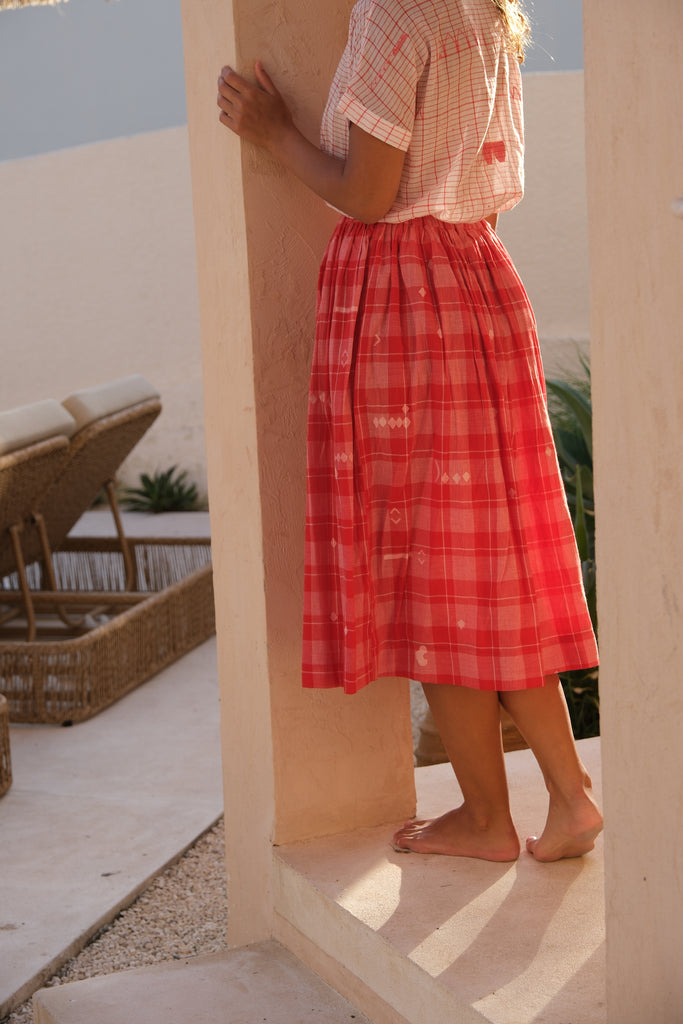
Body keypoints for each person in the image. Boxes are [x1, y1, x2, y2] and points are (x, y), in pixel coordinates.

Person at [217, 0, 603, 862]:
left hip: (401, 297)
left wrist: (273, 131)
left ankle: (484, 818)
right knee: (488, 564)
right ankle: (569, 797)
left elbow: (366, 191)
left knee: (429, 572)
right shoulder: (485, 11)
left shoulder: (396, 13)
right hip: (477, 276)